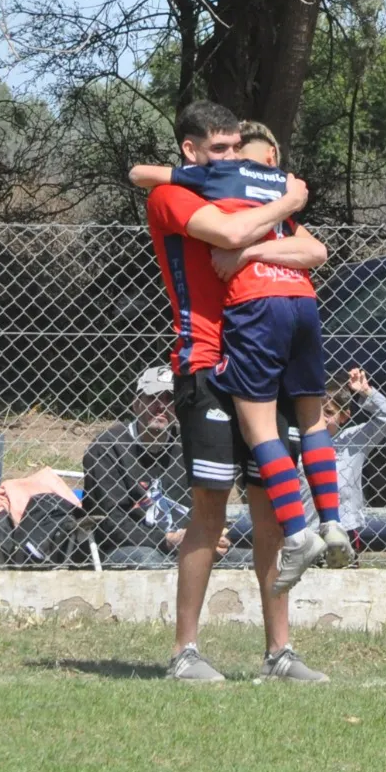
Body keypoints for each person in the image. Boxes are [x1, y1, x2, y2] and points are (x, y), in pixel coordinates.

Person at [144, 100, 330, 682]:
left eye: (236, 148)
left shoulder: (251, 197)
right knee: (209, 508)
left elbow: (313, 251)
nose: (231, 159)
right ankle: (185, 651)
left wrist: (262, 238)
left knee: (270, 507)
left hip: (260, 358)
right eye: (220, 149)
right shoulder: (173, 196)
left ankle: (280, 652)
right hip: (205, 361)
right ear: (191, 151)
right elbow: (225, 231)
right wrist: (286, 203)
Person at [83, 367, 202, 567]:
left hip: (188, 543)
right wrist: (166, 540)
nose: (161, 406)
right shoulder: (108, 447)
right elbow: (111, 520)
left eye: (169, 399)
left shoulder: (190, 444)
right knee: (150, 560)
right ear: (136, 404)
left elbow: (207, 503)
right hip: (127, 547)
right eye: (153, 397)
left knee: (246, 551)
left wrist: (216, 534)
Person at [296, 368, 386, 563]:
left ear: (344, 417)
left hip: (346, 528)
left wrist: (366, 392)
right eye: (316, 411)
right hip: (307, 530)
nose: (321, 418)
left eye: (329, 412)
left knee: (346, 572)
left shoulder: (352, 440)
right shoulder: (299, 442)